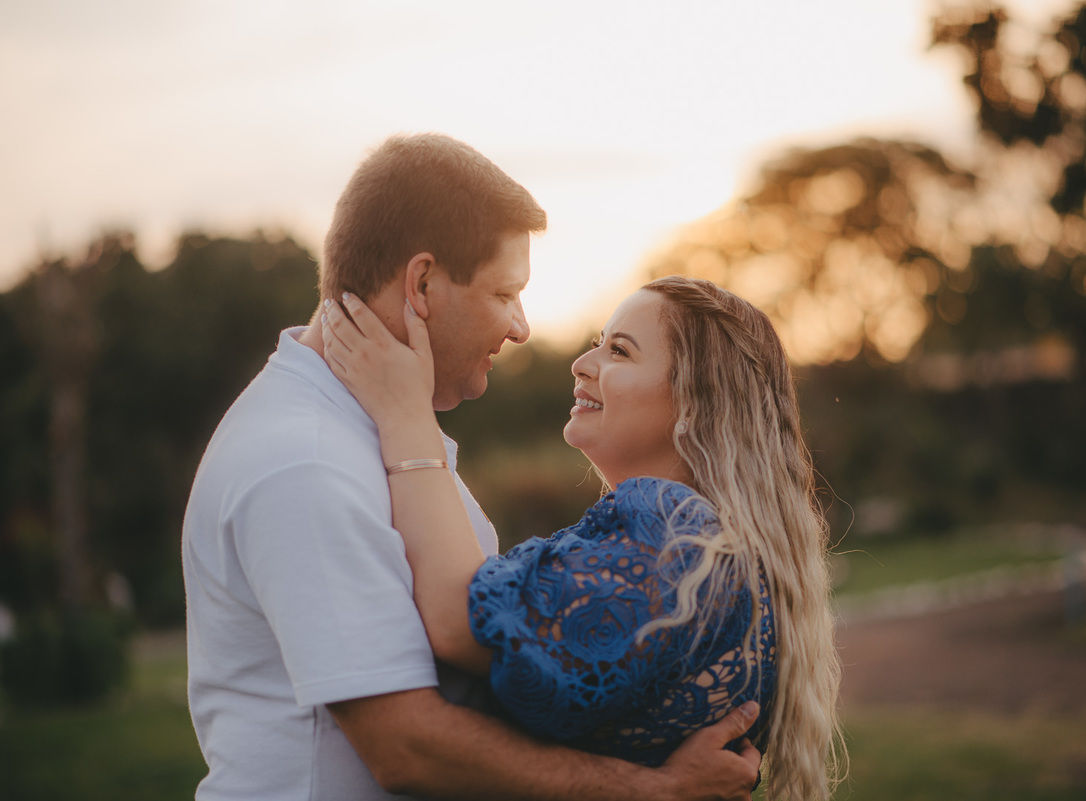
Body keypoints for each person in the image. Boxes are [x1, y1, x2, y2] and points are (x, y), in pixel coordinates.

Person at [182, 133, 761, 801]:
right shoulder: (305, 461)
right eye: (505, 292)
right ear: (422, 283)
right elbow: (405, 746)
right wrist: (649, 789)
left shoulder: (380, 433)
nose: (521, 326)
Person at [319, 275, 845, 800]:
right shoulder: (712, 547)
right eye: (598, 342)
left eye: (619, 351)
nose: (582, 363)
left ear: (696, 403)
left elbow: (461, 622)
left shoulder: (678, 530)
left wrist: (405, 414)